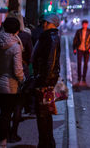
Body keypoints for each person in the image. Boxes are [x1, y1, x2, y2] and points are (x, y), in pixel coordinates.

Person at [0, 17, 24, 148]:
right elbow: (18, 70)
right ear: (17, 30)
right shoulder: (15, 46)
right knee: (6, 115)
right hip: (10, 87)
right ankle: (2, 143)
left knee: (2, 115)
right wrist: (22, 80)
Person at [31, 13, 60, 148]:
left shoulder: (51, 38)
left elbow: (49, 61)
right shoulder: (49, 37)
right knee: (45, 113)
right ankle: (47, 142)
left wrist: (43, 80)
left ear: (52, 24)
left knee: (43, 114)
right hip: (46, 80)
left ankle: (45, 143)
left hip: (45, 81)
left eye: (46, 23)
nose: (44, 25)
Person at [6, 11, 33, 142]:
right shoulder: (25, 36)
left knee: (6, 107)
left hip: (4, 74)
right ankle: (13, 133)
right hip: (20, 73)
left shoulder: (0, 36)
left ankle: (3, 135)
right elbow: (30, 55)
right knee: (18, 106)